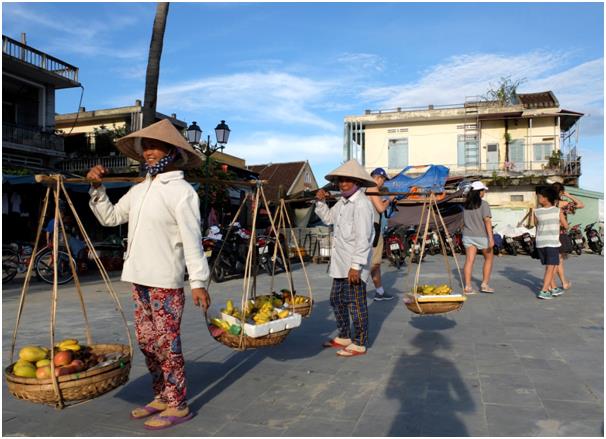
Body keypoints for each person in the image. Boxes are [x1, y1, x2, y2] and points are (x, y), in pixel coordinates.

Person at [86, 119, 211, 430]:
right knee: (147, 342)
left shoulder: (182, 192)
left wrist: (198, 282)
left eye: (156, 146)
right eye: (146, 148)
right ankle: (160, 396)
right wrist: (97, 188)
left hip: (165, 281)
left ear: (172, 151)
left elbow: (192, 239)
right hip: (138, 277)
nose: (149, 153)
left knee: (168, 344)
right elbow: (110, 217)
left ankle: (178, 404)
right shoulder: (139, 190)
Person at [315, 159, 375, 357]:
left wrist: (356, 266)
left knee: (356, 304)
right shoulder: (342, 203)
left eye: (348, 180)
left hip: (353, 264)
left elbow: (363, 238)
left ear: (357, 182)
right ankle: (344, 335)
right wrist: (321, 202)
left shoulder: (362, 205)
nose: (343, 184)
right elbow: (329, 219)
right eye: (341, 180)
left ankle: (360, 341)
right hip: (340, 263)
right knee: (336, 300)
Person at [533, 186, 568, 299]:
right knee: (551, 267)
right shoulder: (558, 210)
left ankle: (553, 288)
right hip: (552, 242)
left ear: (545, 198)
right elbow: (566, 225)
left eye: (539, 196)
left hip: (540, 243)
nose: (538, 198)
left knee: (549, 267)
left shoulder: (536, 211)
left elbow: (536, 224)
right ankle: (544, 290)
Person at [367, 168, 396, 301]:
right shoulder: (371, 188)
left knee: (376, 262)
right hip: (372, 228)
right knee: (372, 262)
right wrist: (389, 199)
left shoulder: (366, 188)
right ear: (378, 178)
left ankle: (380, 291)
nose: (383, 183)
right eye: (383, 180)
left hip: (373, 227)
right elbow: (381, 208)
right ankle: (358, 286)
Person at [462, 181, 495, 294]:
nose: (484, 192)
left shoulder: (466, 205)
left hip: (467, 236)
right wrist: (491, 238)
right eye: (483, 190)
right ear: (479, 192)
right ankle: (484, 284)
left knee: (469, 261)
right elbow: (487, 221)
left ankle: (467, 287)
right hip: (481, 236)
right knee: (489, 258)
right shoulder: (483, 204)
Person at [552, 182, 584, 290]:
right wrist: (568, 195)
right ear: (561, 192)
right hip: (560, 234)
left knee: (554, 260)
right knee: (557, 260)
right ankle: (554, 284)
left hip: (549, 233)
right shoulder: (563, 204)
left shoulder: (548, 204)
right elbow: (580, 204)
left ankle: (560, 282)